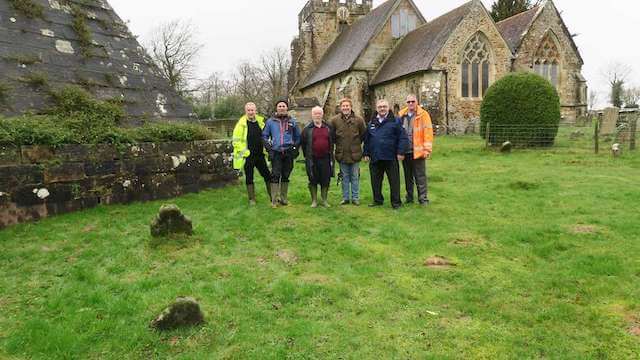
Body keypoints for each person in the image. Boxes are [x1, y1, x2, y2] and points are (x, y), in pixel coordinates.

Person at [363, 99, 409, 209]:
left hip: (390, 157)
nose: (382, 109)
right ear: (376, 109)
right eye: (380, 107)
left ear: (388, 108)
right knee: (375, 181)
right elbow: (367, 140)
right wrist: (366, 153)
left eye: (384, 106)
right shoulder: (371, 123)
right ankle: (377, 200)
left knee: (394, 182)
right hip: (375, 157)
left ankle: (396, 203)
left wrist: (401, 152)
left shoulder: (396, 121)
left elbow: (403, 138)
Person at [262, 99, 301, 208]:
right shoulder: (270, 122)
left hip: (288, 152)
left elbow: (298, 137)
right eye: (279, 106)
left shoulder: (292, 121)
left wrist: (295, 149)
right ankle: (274, 200)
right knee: (275, 175)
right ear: (276, 108)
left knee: (286, 175)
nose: (282, 108)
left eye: (283, 106)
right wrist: (269, 149)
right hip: (276, 152)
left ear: (287, 108)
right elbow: (264, 136)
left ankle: (283, 199)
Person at [232, 102, 271, 205]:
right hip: (248, 156)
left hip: (260, 155)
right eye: (248, 110)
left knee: (267, 175)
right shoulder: (241, 124)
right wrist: (245, 152)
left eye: (252, 110)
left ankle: (273, 196)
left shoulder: (261, 121)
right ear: (245, 111)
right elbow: (236, 141)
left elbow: (266, 136)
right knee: (249, 177)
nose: (250, 112)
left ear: (255, 111)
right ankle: (251, 199)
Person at [329, 98, 366, 206]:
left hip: (355, 153)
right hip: (342, 154)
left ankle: (355, 198)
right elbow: (332, 137)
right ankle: (345, 198)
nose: (345, 108)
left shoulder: (359, 120)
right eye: (343, 106)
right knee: (344, 177)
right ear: (341, 108)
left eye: (347, 106)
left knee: (355, 177)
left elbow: (363, 135)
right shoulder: (334, 121)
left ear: (351, 107)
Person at [398, 95, 434, 206]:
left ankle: (423, 199)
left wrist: (427, 149)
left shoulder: (424, 115)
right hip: (405, 152)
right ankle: (409, 198)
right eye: (408, 101)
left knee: (420, 177)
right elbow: (397, 134)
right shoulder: (401, 115)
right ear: (406, 103)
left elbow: (428, 132)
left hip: (418, 152)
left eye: (412, 101)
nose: (410, 103)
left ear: (416, 102)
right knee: (408, 177)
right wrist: (399, 151)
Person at [301, 106, 335, 208]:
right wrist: (307, 156)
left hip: (326, 158)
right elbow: (303, 144)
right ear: (312, 115)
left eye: (319, 113)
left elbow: (332, 141)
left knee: (326, 179)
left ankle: (324, 200)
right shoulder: (307, 129)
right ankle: (314, 201)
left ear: (322, 114)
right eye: (315, 113)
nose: (317, 115)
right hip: (312, 159)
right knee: (313, 179)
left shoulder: (328, 127)